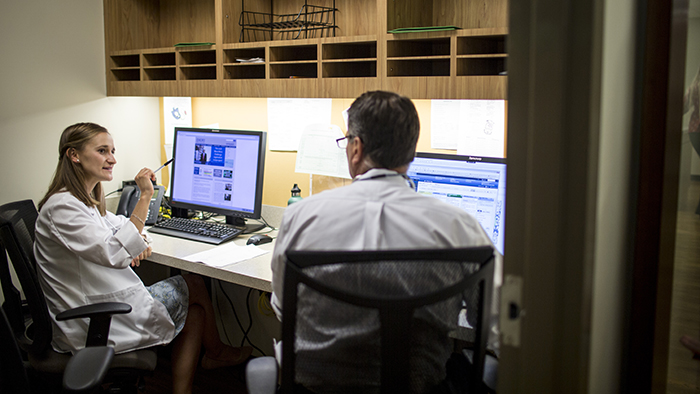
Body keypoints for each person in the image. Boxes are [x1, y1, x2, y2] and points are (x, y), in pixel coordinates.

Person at [270, 91, 502, 393]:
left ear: (356, 148)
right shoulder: (461, 227)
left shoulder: (301, 218)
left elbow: (282, 307)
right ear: (410, 151)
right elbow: (495, 321)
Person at [33, 122, 253, 394]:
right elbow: (115, 250)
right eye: (102, 151)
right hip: (94, 321)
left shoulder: (82, 201)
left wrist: (135, 241)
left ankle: (197, 375)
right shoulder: (63, 207)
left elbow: (118, 227)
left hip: (102, 304)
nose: (112, 159)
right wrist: (146, 196)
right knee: (194, 285)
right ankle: (218, 352)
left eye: (112, 150)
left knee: (194, 311)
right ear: (74, 155)